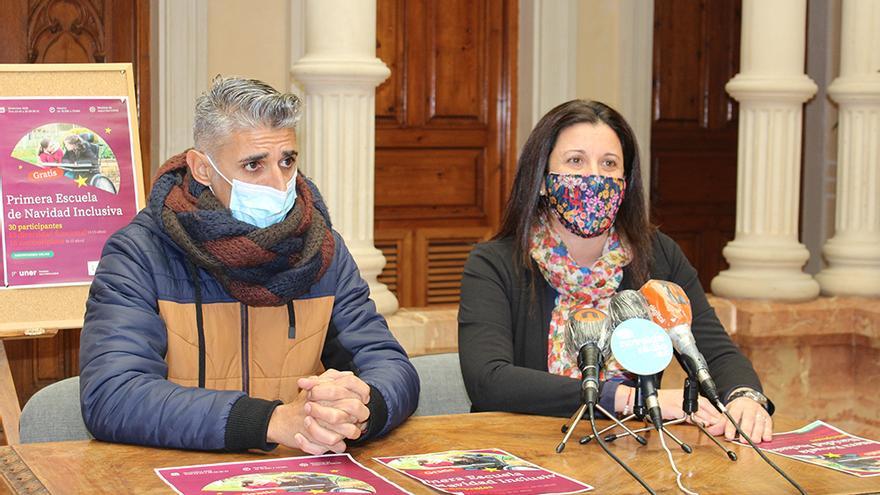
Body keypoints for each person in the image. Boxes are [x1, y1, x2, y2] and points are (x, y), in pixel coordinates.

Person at [80, 76, 419, 454]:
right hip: (175, 475)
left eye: (287, 161)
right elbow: (112, 396)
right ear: (203, 169)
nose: (279, 184)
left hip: (301, 475)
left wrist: (361, 406)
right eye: (254, 165)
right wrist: (271, 422)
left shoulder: (321, 248)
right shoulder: (139, 253)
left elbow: (392, 367)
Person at [458, 99, 774, 443]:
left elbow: (713, 350)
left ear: (625, 184)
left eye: (609, 164)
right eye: (575, 161)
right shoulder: (495, 263)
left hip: (631, 451)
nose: (594, 177)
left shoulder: (656, 255)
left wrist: (745, 396)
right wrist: (627, 399)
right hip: (523, 450)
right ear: (543, 180)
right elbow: (489, 380)